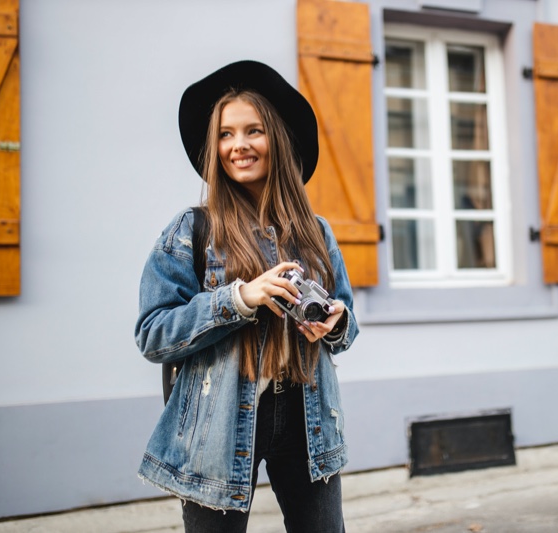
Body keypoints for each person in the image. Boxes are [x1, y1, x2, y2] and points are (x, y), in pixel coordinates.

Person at [134, 60, 359, 533]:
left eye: (253, 130)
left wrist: (335, 323)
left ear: (275, 138)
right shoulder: (191, 230)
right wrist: (239, 298)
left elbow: (346, 323)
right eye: (225, 134)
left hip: (307, 417)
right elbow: (153, 335)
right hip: (218, 422)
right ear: (214, 148)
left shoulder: (316, 232)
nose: (239, 145)